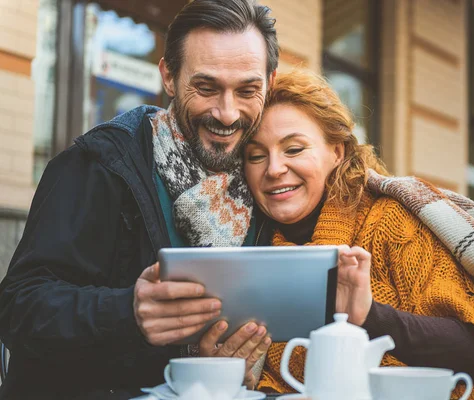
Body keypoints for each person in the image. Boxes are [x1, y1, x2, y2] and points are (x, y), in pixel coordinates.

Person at [0, 1, 278, 398]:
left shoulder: (267, 178)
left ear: (270, 81)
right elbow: (17, 306)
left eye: (248, 90)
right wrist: (126, 312)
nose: (228, 114)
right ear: (168, 76)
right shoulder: (99, 164)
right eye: (206, 87)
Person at [243, 71, 474, 399]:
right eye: (256, 156)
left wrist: (371, 316)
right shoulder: (248, 248)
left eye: (294, 149)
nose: (273, 169)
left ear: (337, 152)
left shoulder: (390, 222)